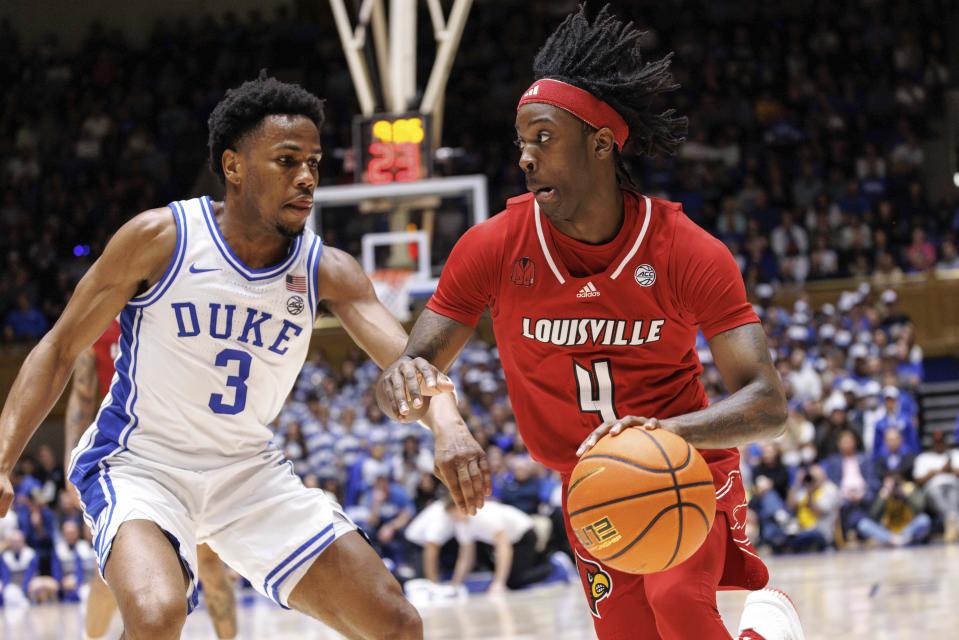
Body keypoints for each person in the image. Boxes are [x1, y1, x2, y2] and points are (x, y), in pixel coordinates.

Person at [0, 74, 489, 640]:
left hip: (246, 472)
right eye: (287, 160)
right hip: (140, 465)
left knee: (397, 624)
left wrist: (449, 428)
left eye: (314, 162)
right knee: (157, 614)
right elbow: (59, 347)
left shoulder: (327, 269)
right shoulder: (162, 237)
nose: (307, 177)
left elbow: (409, 363)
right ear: (233, 167)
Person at [378, 6, 804, 639]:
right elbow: (409, 373)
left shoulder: (687, 251)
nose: (525, 157)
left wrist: (664, 434)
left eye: (543, 138)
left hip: (684, 465)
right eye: (521, 141)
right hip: (590, 489)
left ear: (601, 144)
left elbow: (769, 405)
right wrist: (425, 404)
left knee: (679, 609)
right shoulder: (492, 247)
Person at [63, 320, 239, 640]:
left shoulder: (180, 306)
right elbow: (83, 394)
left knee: (211, 570)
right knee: (111, 574)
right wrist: (69, 462)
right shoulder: (100, 320)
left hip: (193, 457)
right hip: (128, 463)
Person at [912, 430, 959, 542]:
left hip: (954, 486)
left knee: (953, 494)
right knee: (937, 494)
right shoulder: (924, 457)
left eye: (941, 441)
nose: (939, 444)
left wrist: (951, 469)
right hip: (932, 488)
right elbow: (918, 480)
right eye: (936, 442)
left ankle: (952, 523)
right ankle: (954, 519)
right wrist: (935, 472)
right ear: (932, 443)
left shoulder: (955, 454)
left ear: (946, 442)